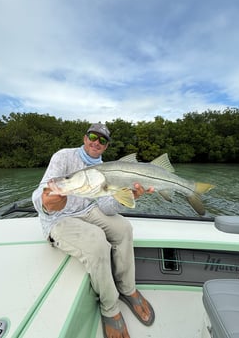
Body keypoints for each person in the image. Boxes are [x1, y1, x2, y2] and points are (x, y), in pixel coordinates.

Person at [32, 123, 155, 338]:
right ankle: (110, 308)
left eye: (102, 140)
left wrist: (129, 197)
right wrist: (45, 203)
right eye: (92, 136)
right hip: (59, 219)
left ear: (106, 147)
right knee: (97, 241)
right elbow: (41, 192)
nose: (96, 142)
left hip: (90, 211)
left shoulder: (106, 169)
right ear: (84, 137)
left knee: (124, 228)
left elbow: (106, 206)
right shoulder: (63, 157)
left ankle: (127, 289)